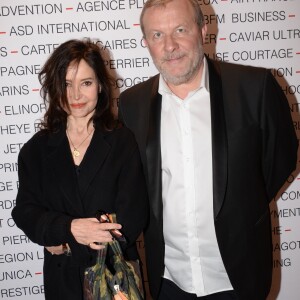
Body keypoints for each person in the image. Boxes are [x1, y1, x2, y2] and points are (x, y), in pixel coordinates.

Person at [118, 0, 298, 299]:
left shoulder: (255, 87)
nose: (170, 45)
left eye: (180, 29)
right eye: (157, 35)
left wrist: (239, 206)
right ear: (146, 42)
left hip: (238, 276)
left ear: (203, 30)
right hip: (169, 278)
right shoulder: (131, 103)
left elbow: (280, 160)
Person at [12, 39, 148, 300]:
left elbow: (134, 215)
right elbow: (26, 211)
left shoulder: (122, 141)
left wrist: (65, 242)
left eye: (86, 83)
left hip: (115, 281)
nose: (75, 95)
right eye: (66, 84)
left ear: (100, 86)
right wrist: (71, 227)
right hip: (63, 283)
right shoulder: (36, 149)